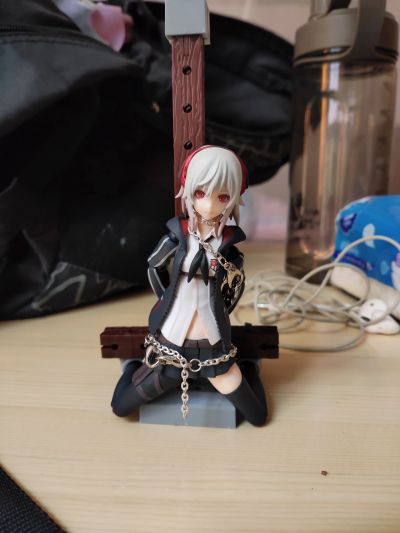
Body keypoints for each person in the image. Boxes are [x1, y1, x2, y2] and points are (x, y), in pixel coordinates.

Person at [111, 145, 267, 425]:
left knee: (256, 415)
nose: (209, 205)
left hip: (214, 349)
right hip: (171, 345)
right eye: (200, 193)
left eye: (222, 196)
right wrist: (166, 298)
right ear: (189, 190)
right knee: (122, 407)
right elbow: (154, 266)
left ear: (233, 198)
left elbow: (235, 287)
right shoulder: (178, 237)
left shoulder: (229, 247)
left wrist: (221, 308)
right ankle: (132, 367)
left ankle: (250, 369)